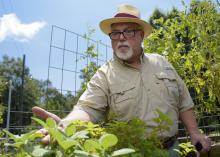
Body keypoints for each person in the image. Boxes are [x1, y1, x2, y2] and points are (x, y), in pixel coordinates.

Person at [32, 4, 211, 156]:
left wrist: (194, 133)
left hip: (172, 149)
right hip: (130, 153)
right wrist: (66, 125)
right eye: (115, 33)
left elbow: (183, 102)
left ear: (141, 35)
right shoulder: (104, 75)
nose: (121, 38)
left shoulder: (161, 62)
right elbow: (87, 108)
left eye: (129, 31)